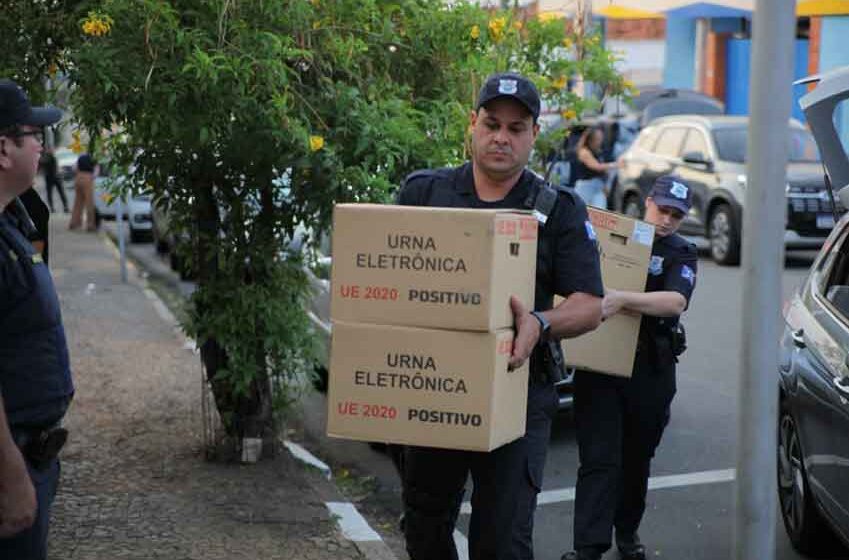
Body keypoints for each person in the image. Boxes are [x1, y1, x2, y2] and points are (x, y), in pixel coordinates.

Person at [397, 72, 604, 560]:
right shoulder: (424, 194)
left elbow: (590, 304)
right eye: (492, 123)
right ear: (472, 124)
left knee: (502, 539)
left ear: (534, 134)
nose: (501, 138)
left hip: (518, 392)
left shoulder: (559, 210)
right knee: (423, 528)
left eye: (516, 128)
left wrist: (541, 323)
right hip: (436, 387)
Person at [562, 175, 698, 560]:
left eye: (676, 214)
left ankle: (627, 531)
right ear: (647, 203)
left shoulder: (681, 253)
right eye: (662, 209)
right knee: (598, 458)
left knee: (637, 458)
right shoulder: (611, 239)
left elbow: (675, 302)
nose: (667, 220)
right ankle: (587, 547)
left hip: (650, 369)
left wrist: (621, 298)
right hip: (601, 365)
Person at [0, 78, 74, 560]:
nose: (42, 147)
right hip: (13, 464)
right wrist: (12, 478)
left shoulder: (13, 220)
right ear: (4, 149)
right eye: (34, 136)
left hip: (34, 454)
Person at [572, 126, 619, 210]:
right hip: (585, 187)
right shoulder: (584, 151)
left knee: (600, 212)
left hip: (598, 187)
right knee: (583, 212)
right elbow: (596, 167)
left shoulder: (599, 151)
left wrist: (606, 185)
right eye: (597, 139)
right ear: (590, 139)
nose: (600, 141)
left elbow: (602, 172)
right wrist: (614, 165)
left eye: (600, 138)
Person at [68, 152, 97, 231]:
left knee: (77, 202)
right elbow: (96, 171)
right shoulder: (93, 158)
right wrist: (92, 177)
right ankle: (90, 225)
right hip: (88, 177)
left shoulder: (80, 157)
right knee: (89, 203)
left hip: (78, 177)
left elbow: (75, 168)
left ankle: (74, 223)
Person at [40, 148, 68, 214]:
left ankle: (65, 207)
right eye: (49, 150)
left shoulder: (50, 157)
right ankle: (54, 208)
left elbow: (44, 164)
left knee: (60, 193)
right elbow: (43, 163)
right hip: (51, 178)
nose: (51, 151)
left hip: (55, 177)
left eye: (51, 150)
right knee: (52, 193)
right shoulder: (47, 158)